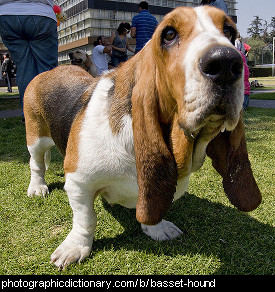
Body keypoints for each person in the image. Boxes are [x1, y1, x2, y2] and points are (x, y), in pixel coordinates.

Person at [0, 0, 58, 121]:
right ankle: (49, 115)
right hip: (40, 12)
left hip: (7, 14)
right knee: (47, 69)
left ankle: (29, 117)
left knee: (24, 67)